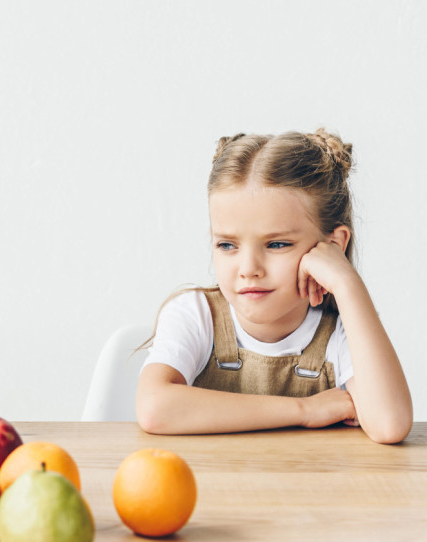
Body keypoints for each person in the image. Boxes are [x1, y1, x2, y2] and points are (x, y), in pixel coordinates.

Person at [137, 129, 412, 444]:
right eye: (227, 245)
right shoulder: (195, 315)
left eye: (277, 244)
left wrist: (347, 283)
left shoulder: (341, 334)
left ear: (332, 247)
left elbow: (389, 424)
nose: (249, 269)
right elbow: (154, 407)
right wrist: (303, 410)